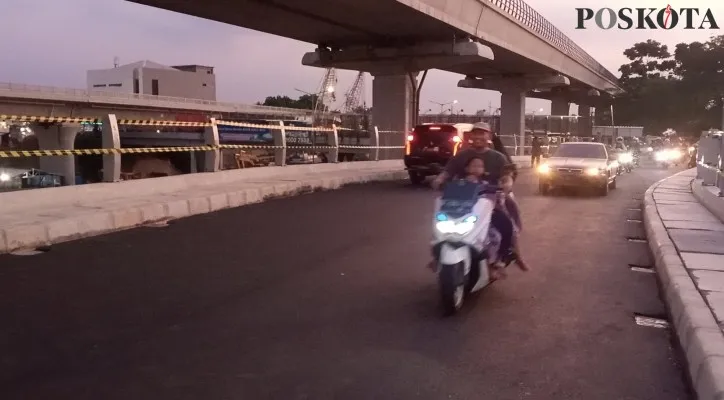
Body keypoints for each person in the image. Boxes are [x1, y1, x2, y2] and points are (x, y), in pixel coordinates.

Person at [432, 122, 515, 263]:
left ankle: (501, 258)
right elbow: (448, 171)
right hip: (462, 200)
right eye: (475, 133)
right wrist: (439, 179)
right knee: (442, 221)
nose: (478, 136)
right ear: (471, 136)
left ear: (488, 136)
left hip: (489, 200)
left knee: (506, 224)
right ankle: (438, 255)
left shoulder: (498, 157)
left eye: (482, 133)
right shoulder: (461, 155)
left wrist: (507, 183)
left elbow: (507, 175)